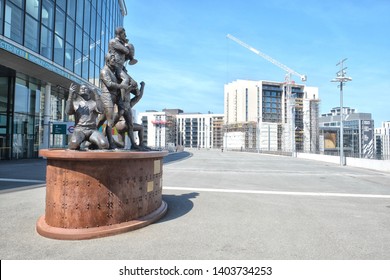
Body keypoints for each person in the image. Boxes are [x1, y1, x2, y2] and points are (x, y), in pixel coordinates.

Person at [98, 53, 129, 149]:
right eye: (112, 59)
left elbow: (124, 77)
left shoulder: (114, 70)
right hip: (107, 97)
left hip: (115, 96)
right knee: (108, 120)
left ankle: (98, 134)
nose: (114, 61)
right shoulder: (104, 71)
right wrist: (121, 86)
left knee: (120, 111)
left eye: (115, 59)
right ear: (107, 60)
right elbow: (109, 84)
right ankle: (111, 142)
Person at [66, 83, 108, 150]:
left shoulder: (94, 103)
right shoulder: (75, 103)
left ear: (90, 91)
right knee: (73, 144)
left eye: (85, 88)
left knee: (104, 144)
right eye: (81, 88)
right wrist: (70, 95)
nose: (83, 89)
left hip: (92, 130)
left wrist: (96, 94)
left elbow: (101, 110)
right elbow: (68, 112)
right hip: (79, 130)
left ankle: (93, 144)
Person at [114, 81, 151, 150]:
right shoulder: (125, 103)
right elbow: (138, 97)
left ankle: (112, 142)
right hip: (124, 124)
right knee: (141, 128)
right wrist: (141, 86)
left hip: (117, 126)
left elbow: (137, 97)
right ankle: (141, 144)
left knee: (122, 145)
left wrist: (141, 87)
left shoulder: (118, 102)